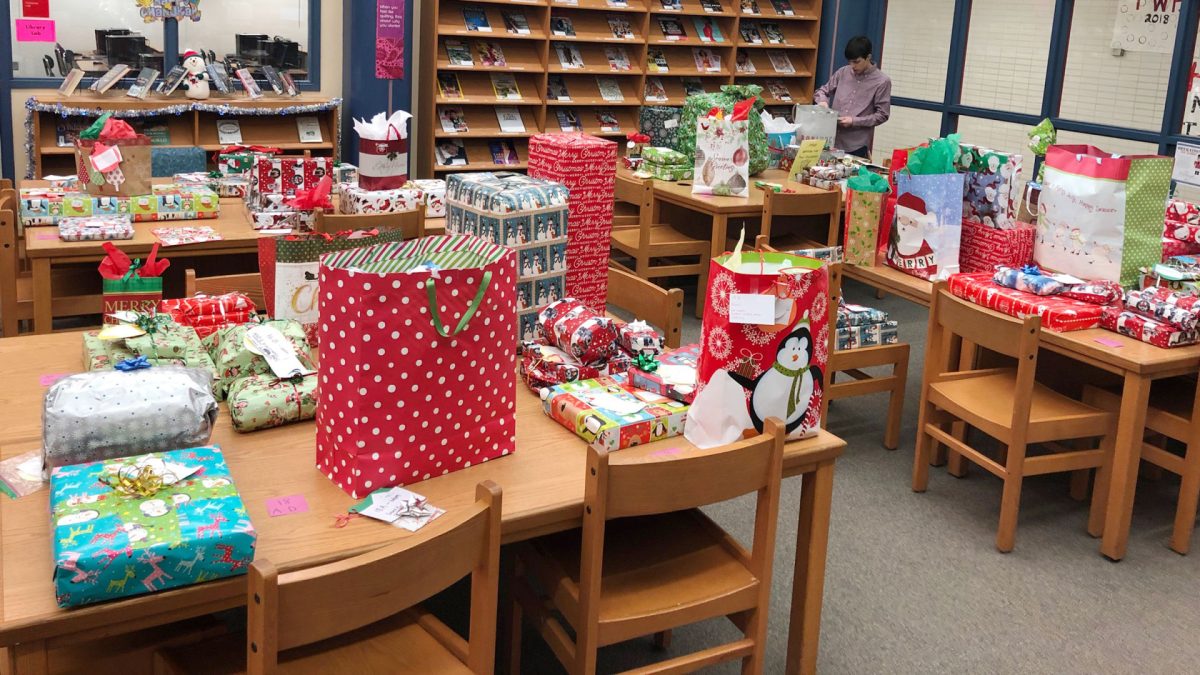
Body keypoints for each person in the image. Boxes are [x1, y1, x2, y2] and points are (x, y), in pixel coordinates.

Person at [814, 36, 891, 159]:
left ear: (868, 57)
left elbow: (882, 115)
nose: (852, 66)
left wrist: (854, 121)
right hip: (832, 139)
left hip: (856, 145)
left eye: (856, 62)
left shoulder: (882, 81)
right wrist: (822, 102)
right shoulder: (843, 72)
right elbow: (822, 91)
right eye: (850, 62)